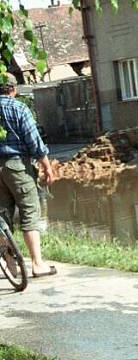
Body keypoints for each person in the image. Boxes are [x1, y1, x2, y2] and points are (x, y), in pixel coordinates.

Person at [0, 74, 58, 277]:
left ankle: (10, 264)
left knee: (2, 216)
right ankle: (37, 264)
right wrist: (47, 167)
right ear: (13, 90)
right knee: (29, 211)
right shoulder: (19, 108)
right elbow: (34, 142)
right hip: (17, 166)